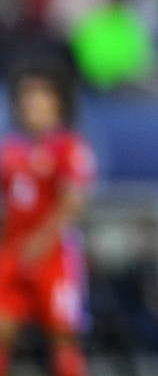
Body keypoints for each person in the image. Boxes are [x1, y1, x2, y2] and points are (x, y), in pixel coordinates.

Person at [0, 63, 94, 376]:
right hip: (13, 251)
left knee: (62, 337)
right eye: (26, 98)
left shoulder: (68, 147)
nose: (31, 105)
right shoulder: (11, 151)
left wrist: (41, 241)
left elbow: (72, 202)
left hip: (53, 254)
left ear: (55, 103)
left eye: (39, 97)